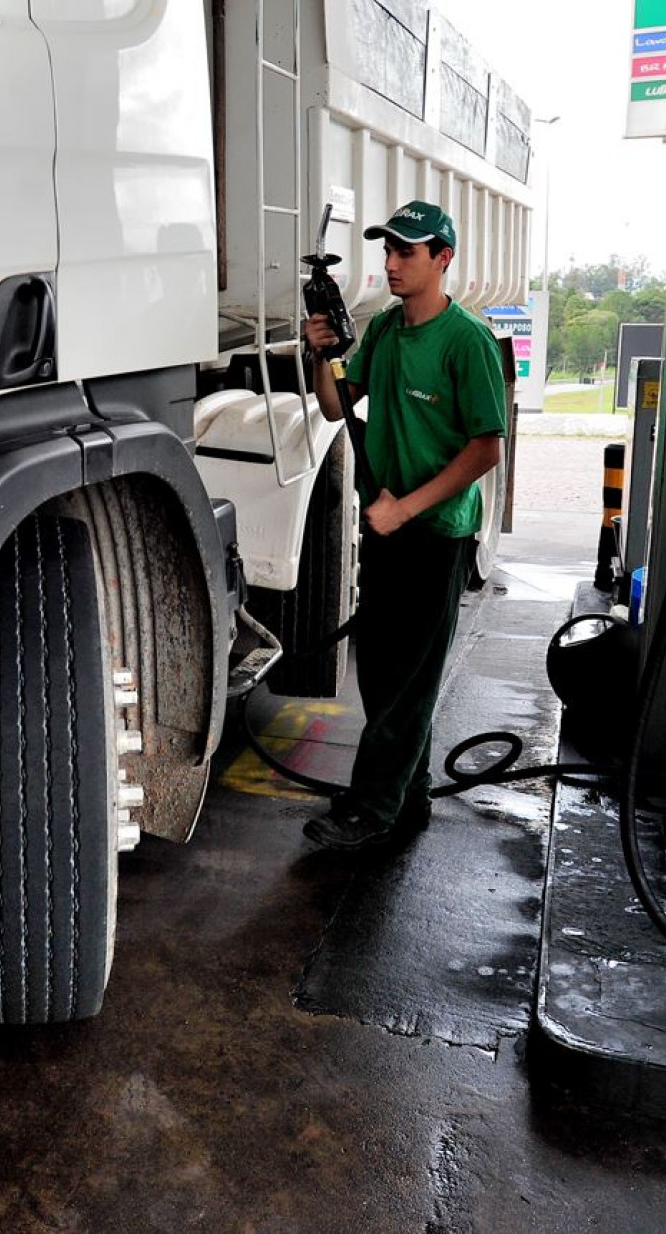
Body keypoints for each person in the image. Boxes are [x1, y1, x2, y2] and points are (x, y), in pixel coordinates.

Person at [299, 200, 507, 851]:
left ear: (442, 259)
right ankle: (405, 796)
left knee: (407, 681)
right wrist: (321, 354)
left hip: (433, 531)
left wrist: (405, 507)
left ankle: (369, 809)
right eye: (386, 251)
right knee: (386, 675)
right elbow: (335, 404)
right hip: (387, 527)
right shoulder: (386, 331)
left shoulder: (464, 340)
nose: (390, 264)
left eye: (405, 252)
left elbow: (485, 449)